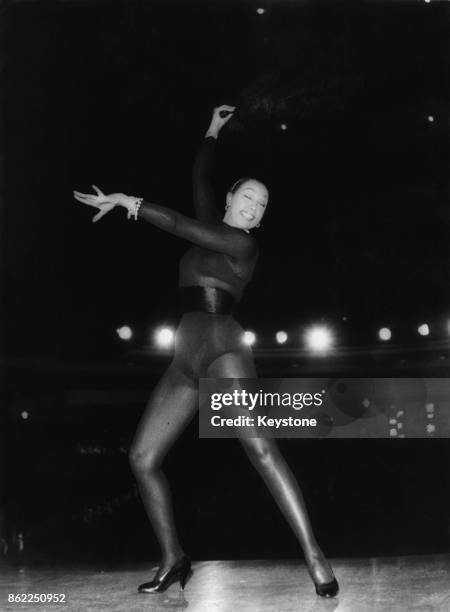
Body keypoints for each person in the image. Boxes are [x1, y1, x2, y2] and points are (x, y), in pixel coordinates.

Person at [73, 105, 339, 598]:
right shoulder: (209, 228)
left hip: (223, 351)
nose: (255, 209)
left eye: (263, 206)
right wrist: (213, 130)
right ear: (230, 199)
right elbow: (198, 175)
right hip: (183, 361)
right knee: (142, 457)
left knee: (260, 448)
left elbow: (172, 222)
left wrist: (128, 202)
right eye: (249, 198)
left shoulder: (243, 248)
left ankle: (314, 554)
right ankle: (173, 558)